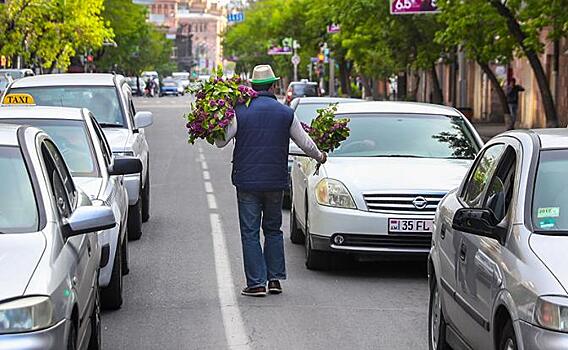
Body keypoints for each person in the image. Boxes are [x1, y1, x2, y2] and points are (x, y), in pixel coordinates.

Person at [216, 65, 326, 297]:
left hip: (247, 182)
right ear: (274, 85)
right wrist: (320, 156)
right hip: (275, 182)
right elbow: (305, 143)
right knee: (274, 230)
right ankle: (274, 279)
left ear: (252, 87)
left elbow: (221, 142)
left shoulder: (240, 111)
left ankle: (256, 283)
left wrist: (215, 123)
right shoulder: (285, 113)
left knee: (250, 232)